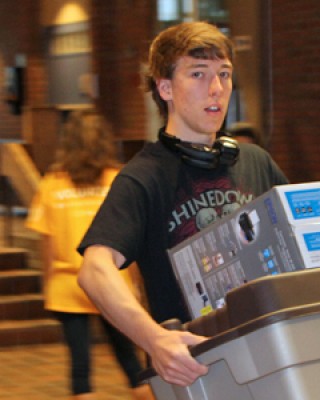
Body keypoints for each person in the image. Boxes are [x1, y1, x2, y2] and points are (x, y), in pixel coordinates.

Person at [77, 21, 288, 387]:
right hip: (198, 368)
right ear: (165, 87)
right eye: (198, 74)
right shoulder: (143, 177)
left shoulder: (256, 162)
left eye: (224, 74)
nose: (217, 88)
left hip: (272, 353)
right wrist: (153, 339)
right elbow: (95, 270)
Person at [25, 110, 154, 400]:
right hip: (112, 281)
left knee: (80, 370)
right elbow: (130, 240)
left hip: (66, 285)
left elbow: (46, 244)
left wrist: (48, 285)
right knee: (133, 364)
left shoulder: (52, 184)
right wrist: (136, 286)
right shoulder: (119, 181)